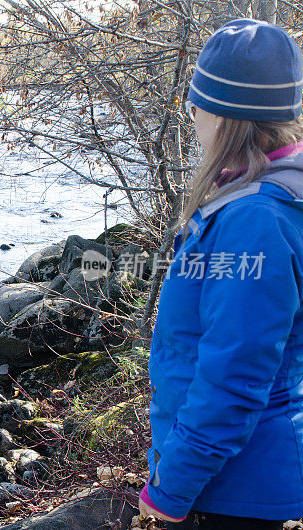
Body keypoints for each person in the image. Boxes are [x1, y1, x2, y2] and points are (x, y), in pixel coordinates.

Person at [139, 18, 303, 529]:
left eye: (196, 106)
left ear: (222, 114)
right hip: (252, 477)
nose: (191, 118)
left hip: (234, 492)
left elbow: (233, 376)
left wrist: (172, 487)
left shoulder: (254, 220)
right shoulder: (274, 197)